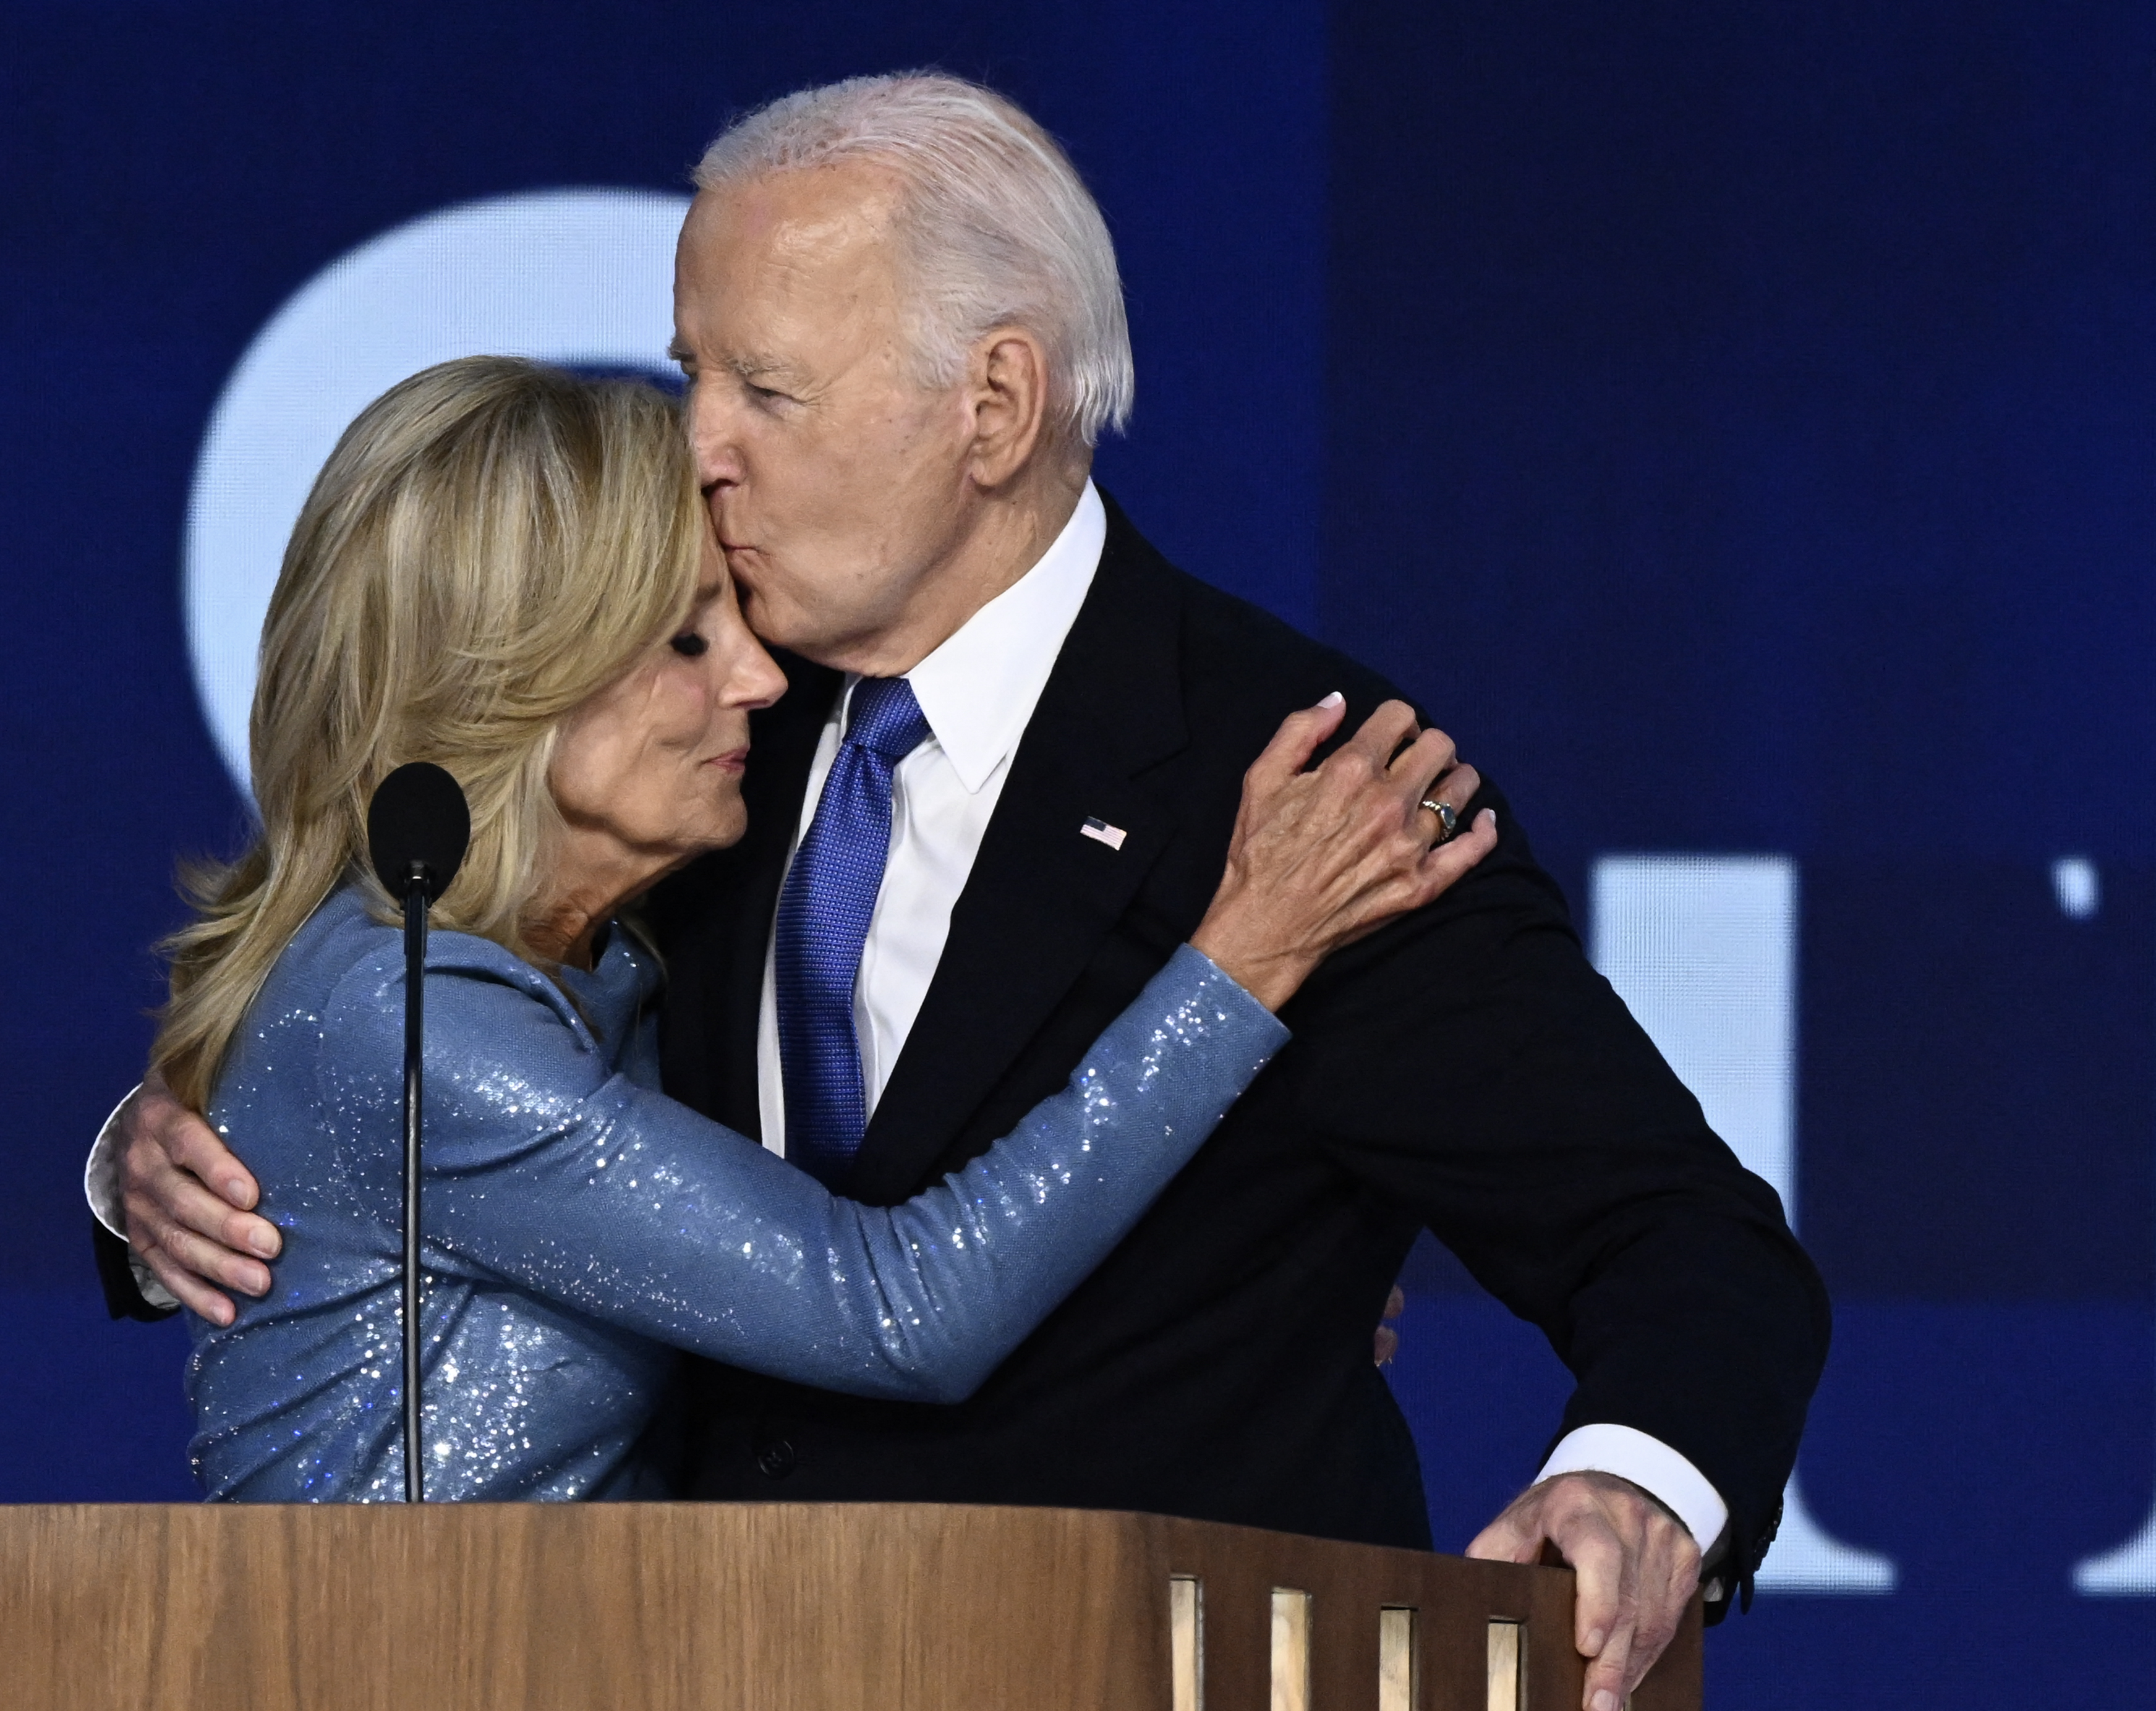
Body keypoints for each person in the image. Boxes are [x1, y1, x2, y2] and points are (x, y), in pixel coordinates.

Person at [98, 75, 1827, 1711]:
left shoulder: (1304, 792)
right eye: (689, 370)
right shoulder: (681, 718)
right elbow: (447, 1029)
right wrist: (167, 1154)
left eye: (764, 392)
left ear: (990, 406)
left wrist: (1637, 1485)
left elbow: (1680, 1240)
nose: (696, 447)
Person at [160, 354, 1492, 1502]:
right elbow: (894, 1308)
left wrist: (1234, 1282)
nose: (755, 676)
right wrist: (1237, 962)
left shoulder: (607, 968)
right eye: (685, 641)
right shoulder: (406, 1018)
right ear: (508, 680)